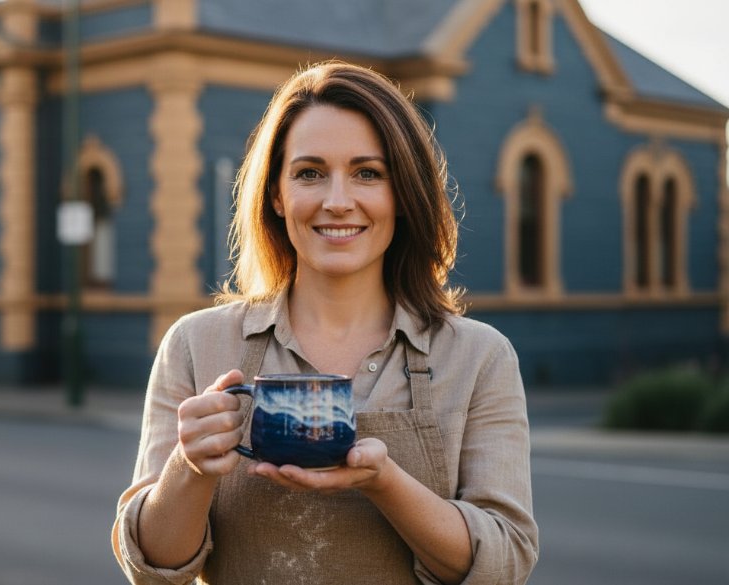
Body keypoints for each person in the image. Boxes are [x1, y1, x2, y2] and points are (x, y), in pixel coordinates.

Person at [113, 61, 538, 585]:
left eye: (368, 173)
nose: (338, 202)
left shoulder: (479, 357)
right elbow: (154, 571)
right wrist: (190, 467)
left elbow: (504, 564)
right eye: (309, 173)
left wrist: (383, 481)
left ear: (403, 194)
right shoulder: (196, 344)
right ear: (276, 194)